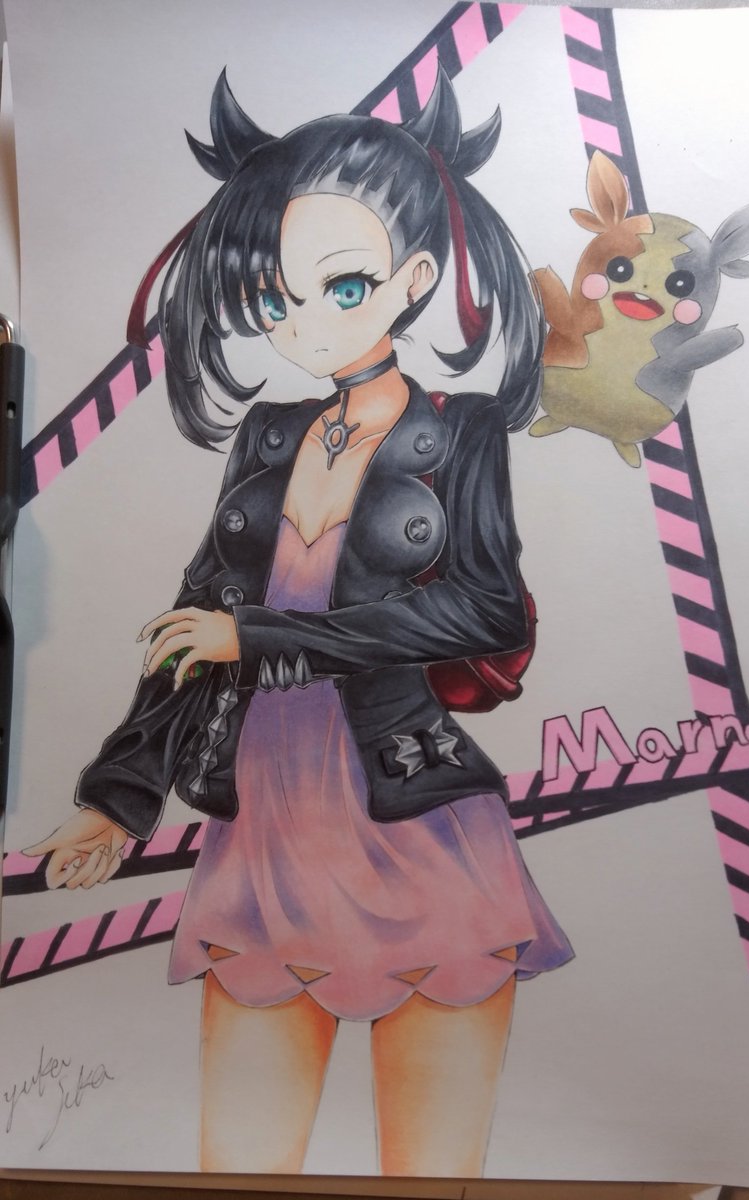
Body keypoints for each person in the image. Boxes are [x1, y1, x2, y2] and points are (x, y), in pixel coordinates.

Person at [25, 68, 573, 1176]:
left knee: (433, 1172)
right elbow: (196, 622)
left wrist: (269, 640)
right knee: (237, 1168)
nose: (301, 323)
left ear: (415, 279)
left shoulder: (461, 432)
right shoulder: (268, 434)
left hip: (415, 824)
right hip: (262, 839)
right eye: (273, 300)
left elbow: (481, 607)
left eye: (342, 285)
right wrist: (115, 802)